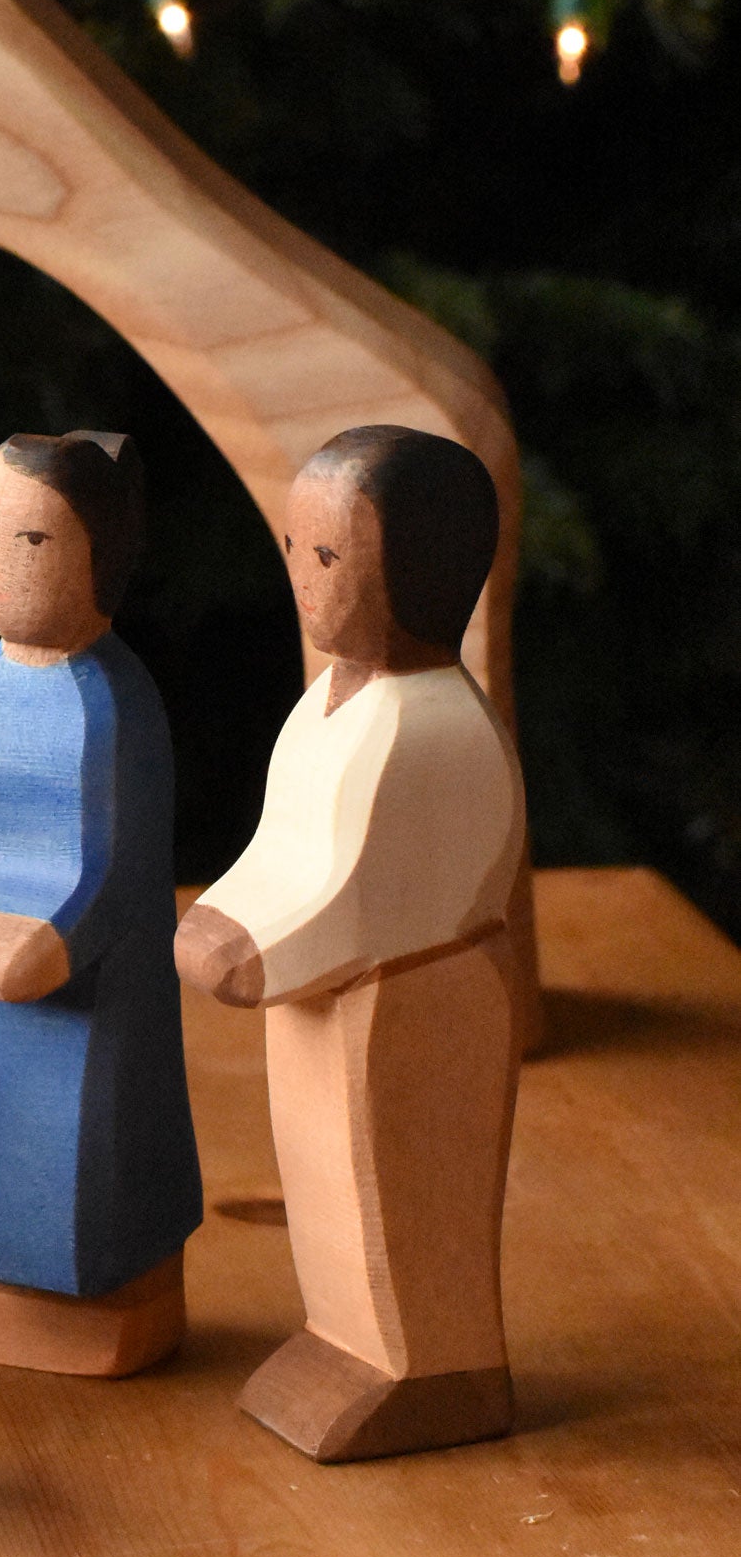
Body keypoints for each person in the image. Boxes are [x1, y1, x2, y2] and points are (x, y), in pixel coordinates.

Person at [175, 424, 526, 1461]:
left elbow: (360, 893)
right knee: (324, 1185)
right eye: (294, 548)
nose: (299, 577)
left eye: (326, 556)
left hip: (414, 999)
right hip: (328, 995)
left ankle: (430, 1371)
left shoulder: (428, 726)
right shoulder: (328, 702)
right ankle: (340, 1340)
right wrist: (225, 914)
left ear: (419, 572)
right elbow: (281, 844)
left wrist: (247, 950)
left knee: (400, 1204)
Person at [0, 431, 202, 1377]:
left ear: (101, 556)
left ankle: (129, 1298)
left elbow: (117, 868)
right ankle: (15, 1293)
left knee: (98, 1148)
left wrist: (54, 941)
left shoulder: (113, 699)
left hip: (97, 981)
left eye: (34, 542)